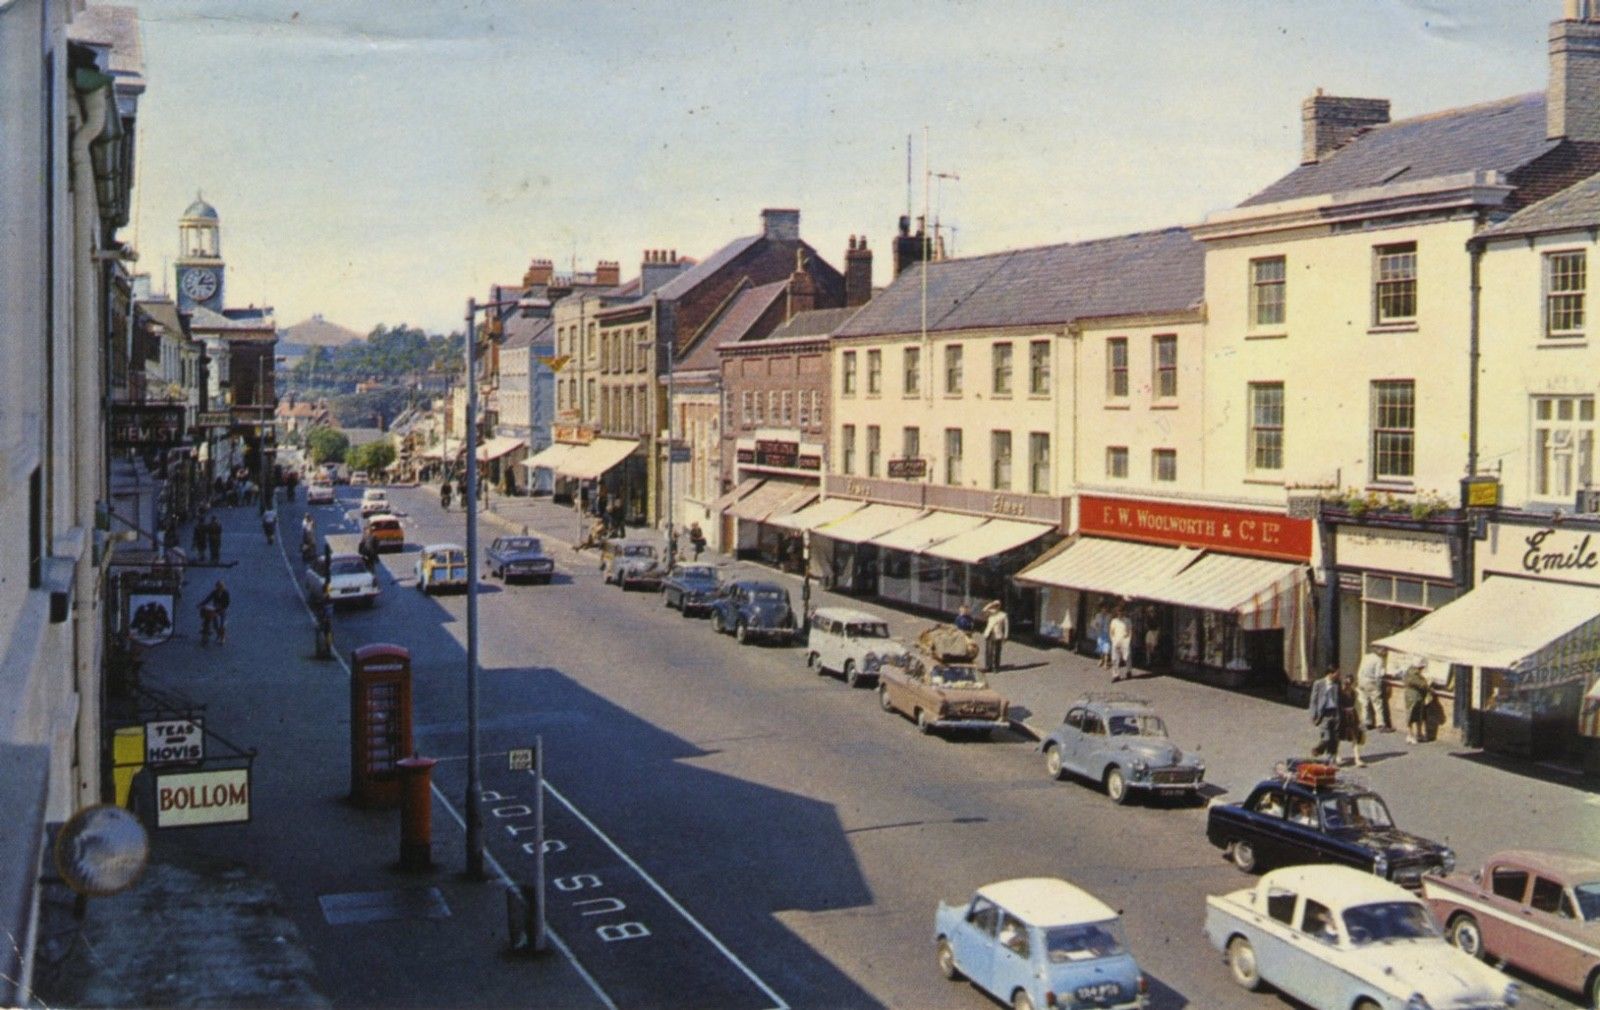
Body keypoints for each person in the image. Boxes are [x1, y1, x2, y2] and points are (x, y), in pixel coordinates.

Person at [1309, 667, 1343, 761]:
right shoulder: (1319, 683)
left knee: (1335, 738)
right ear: (1330, 674)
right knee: (1327, 737)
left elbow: (1340, 699)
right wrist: (1314, 715)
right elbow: (1313, 700)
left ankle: (1331, 758)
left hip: (1335, 712)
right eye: (1336, 674)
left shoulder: (1337, 684)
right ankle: (1318, 750)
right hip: (1324, 714)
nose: (1338, 676)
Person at [1356, 649, 1392, 732]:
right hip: (1372, 682)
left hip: (1362, 681)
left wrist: (1359, 682)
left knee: (1365, 703)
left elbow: (1360, 670)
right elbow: (1378, 675)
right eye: (1385, 651)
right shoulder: (1379, 660)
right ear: (1381, 651)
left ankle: (1366, 722)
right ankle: (1381, 724)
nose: (1386, 653)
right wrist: (1378, 687)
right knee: (1377, 704)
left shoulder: (1366, 657)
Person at [1337, 673, 1368, 766]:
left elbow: (1359, 705)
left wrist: (1360, 719)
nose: (1347, 685)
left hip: (1352, 715)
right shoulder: (1339, 693)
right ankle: (1337, 756)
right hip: (1342, 715)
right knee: (1339, 736)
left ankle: (1357, 758)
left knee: (1355, 736)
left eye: (1349, 683)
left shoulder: (1355, 692)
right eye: (1346, 683)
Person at [1403, 660, 1431, 744]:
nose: (1423, 669)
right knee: (1411, 716)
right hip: (1413, 697)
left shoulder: (1409, 672)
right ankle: (1410, 735)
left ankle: (1418, 734)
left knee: (1418, 716)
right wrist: (1428, 683)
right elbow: (1422, 685)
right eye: (1422, 667)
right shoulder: (1413, 674)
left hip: (1416, 697)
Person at [198, 579, 230, 644]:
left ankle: (222, 638)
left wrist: (221, 607)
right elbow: (208, 599)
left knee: (222, 625)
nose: (218, 588)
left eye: (220, 586)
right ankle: (218, 634)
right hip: (215, 610)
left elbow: (227, 603)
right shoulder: (214, 592)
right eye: (217, 586)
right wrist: (201, 604)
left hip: (223, 610)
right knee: (215, 624)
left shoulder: (226, 593)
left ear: (222, 587)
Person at [982, 600, 1009, 673]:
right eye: (995, 605)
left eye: (997, 605)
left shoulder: (1003, 615)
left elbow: (1006, 626)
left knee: (996, 651)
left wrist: (1006, 636)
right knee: (988, 651)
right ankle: (988, 666)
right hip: (989, 633)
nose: (995, 607)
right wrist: (990, 604)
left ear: (999, 606)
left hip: (997, 634)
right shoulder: (990, 613)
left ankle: (995, 667)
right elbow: (983, 610)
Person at [1108, 607, 1133, 681]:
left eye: (1121, 612)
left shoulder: (1127, 621)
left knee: (1127, 657)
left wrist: (1128, 641)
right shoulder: (1114, 621)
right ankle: (1116, 675)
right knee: (1115, 659)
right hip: (1116, 641)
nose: (1120, 613)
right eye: (1119, 612)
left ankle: (1128, 671)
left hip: (1125, 641)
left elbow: (1130, 631)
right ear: (1117, 613)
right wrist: (1113, 641)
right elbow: (1111, 632)